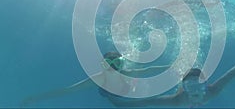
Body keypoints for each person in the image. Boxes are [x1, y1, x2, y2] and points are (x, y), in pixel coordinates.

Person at [106, 47, 235, 107]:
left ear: (205, 84)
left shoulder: (212, 91)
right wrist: (118, 102)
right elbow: (146, 102)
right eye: (190, 86)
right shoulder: (177, 100)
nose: (195, 90)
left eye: (198, 85)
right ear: (184, 89)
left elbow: (231, 75)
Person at [21, 51, 169, 106]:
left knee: (137, 87)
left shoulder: (127, 73)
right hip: (109, 93)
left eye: (116, 63)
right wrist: (36, 97)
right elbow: (68, 90)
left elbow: (149, 70)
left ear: (121, 65)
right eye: (107, 64)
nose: (112, 67)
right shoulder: (97, 79)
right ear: (102, 66)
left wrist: (178, 68)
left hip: (127, 88)